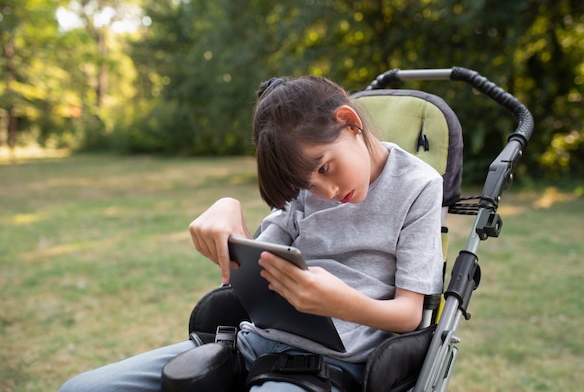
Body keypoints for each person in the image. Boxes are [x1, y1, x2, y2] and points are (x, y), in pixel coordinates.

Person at [59, 76, 444, 392]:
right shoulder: (305, 189)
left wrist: (338, 302)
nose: (324, 193)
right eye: (308, 185)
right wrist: (228, 209)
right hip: (248, 346)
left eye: (325, 168)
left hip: (329, 368)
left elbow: (410, 316)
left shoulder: (418, 186)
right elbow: (259, 264)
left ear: (350, 121)